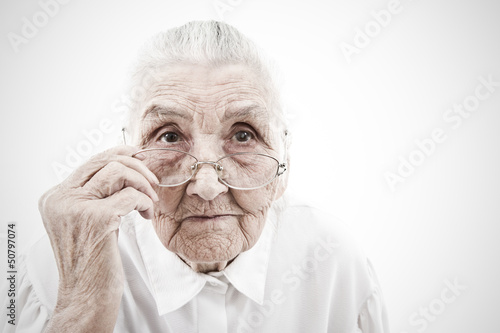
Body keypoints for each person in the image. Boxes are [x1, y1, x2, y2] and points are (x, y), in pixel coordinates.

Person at [2, 21, 389, 332]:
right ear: (129, 153)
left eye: (243, 135)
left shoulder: (334, 261)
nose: (206, 187)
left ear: (283, 166)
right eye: (169, 136)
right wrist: (84, 308)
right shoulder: (62, 263)